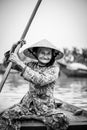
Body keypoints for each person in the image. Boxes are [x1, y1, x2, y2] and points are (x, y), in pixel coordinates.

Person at [0, 39, 69, 130]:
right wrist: (14, 48)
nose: (45, 56)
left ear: (52, 55)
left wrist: (20, 63)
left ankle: (40, 117)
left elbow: (40, 80)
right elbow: (8, 64)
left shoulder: (54, 69)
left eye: (48, 53)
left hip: (46, 108)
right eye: (42, 53)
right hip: (27, 106)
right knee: (5, 117)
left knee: (61, 121)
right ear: (36, 54)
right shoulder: (31, 65)